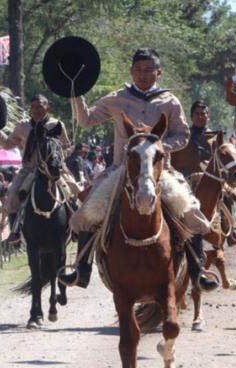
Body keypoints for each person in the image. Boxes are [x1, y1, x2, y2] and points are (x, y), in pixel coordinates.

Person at [64, 48, 217, 291]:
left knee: (190, 212)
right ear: (131, 71)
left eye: (148, 70)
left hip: (160, 172)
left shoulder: (169, 101)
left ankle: (198, 271)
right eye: (138, 70)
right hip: (121, 170)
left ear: (159, 72)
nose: (143, 75)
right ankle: (81, 268)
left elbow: (183, 135)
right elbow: (86, 120)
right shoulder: (116, 99)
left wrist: (158, 146)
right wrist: (75, 93)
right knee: (89, 210)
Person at [0, 93, 72, 244]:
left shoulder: (56, 125)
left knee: (74, 191)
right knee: (12, 195)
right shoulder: (22, 126)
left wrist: (57, 158)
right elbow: (8, 144)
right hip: (29, 169)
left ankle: (75, 227)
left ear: (48, 107)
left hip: (53, 169)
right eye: (33, 107)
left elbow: (67, 147)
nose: (36, 110)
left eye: (40, 106)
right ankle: (16, 231)